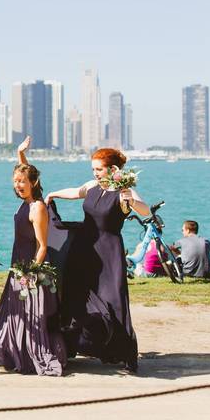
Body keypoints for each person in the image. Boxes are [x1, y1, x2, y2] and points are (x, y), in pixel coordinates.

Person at [46, 147, 149, 372]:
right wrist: (52, 194)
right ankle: (75, 345)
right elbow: (76, 191)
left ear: (113, 169)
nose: (95, 173)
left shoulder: (124, 190)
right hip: (84, 249)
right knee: (79, 297)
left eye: (99, 169)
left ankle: (124, 351)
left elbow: (145, 210)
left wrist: (130, 199)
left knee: (113, 299)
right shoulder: (93, 186)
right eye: (93, 168)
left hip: (109, 251)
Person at [0, 137, 66, 376]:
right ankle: (17, 352)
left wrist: (30, 275)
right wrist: (20, 154)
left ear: (33, 183)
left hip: (31, 269)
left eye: (22, 182)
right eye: (15, 181)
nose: (18, 185)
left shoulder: (37, 207)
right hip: (18, 264)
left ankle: (32, 355)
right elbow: (26, 173)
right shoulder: (26, 202)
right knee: (16, 313)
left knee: (31, 315)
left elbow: (42, 246)